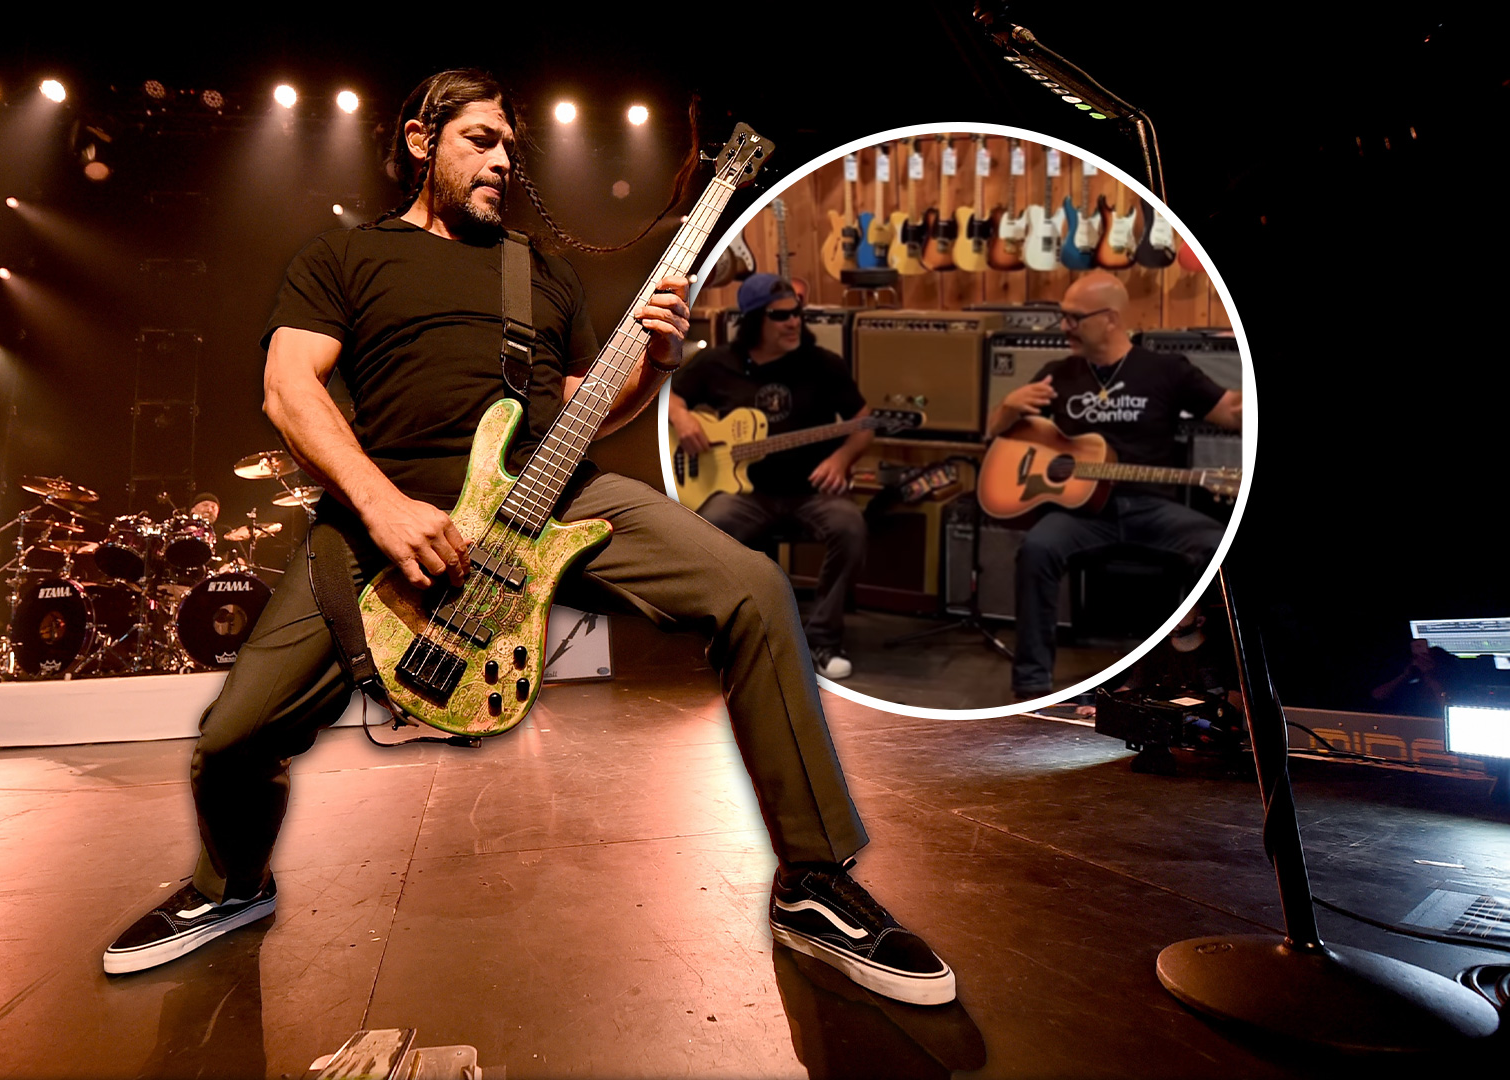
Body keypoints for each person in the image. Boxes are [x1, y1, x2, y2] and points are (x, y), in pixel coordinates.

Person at [102, 70, 953, 1007]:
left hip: (553, 499)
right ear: (422, 141)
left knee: (752, 585)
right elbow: (288, 389)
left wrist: (656, 366)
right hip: (388, 512)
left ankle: (814, 881)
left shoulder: (535, 270)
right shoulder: (345, 256)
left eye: (511, 146)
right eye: (481, 139)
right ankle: (234, 886)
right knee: (231, 737)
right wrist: (382, 507)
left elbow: (586, 413)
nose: (504, 160)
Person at [986, 271, 1242, 701]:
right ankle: (1030, 687)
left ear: (1109, 318)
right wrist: (1007, 408)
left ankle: (1212, 676)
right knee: (1036, 549)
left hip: (1151, 506)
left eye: (1073, 317)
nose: (1064, 326)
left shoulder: (1164, 370)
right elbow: (1000, 436)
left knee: (1217, 544)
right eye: (1062, 316)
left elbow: (1231, 414)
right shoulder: (1057, 374)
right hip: (1081, 512)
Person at [668, 273, 872, 680]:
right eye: (781, 316)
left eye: (797, 313)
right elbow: (668, 395)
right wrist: (681, 416)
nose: (794, 322)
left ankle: (823, 642)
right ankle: (724, 638)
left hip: (809, 492)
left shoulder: (822, 365)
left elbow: (863, 421)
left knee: (850, 526)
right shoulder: (717, 363)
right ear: (754, 320)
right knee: (706, 531)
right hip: (744, 494)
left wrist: (843, 459)